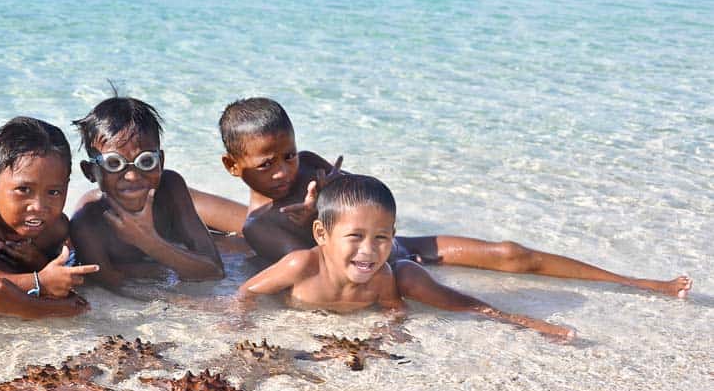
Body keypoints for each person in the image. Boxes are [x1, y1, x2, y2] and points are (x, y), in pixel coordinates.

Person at [217, 97, 692, 298]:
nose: (283, 171)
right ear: (233, 167)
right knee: (471, 301)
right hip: (385, 270)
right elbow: (321, 269)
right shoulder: (261, 226)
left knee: (510, 253)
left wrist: (343, 180)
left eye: (288, 155)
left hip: (400, 246)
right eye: (266, 164)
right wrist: (307, 221)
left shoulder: (309, 164)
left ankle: (640, 283)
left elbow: (371, 200)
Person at [239, 175, 575, 340]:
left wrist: (388, 330)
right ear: (321, 234)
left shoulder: (383, 276)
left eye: (381, 238)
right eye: (355, 236)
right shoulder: (301, 266)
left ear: (393, 235)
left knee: (420, 279)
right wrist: (241, 321)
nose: (369, 250)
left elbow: (394, 307)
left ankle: (514, 319)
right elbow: (246, 291)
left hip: (407, 266)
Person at [0, 116, 93, 315]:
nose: (39, 206)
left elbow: (66, 279)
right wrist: (39, 281)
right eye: (23, 189)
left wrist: (39, 261)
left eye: (53, 192)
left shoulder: (57, 228)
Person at [70, 96, 224, 289]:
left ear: (161, 162)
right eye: (114, 164)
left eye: (146, 161)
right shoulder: (87, 222)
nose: (133, 176)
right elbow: (111, 284)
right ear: (90, 172)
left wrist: (148, 241)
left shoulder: (170, 188)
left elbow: (215, 270)